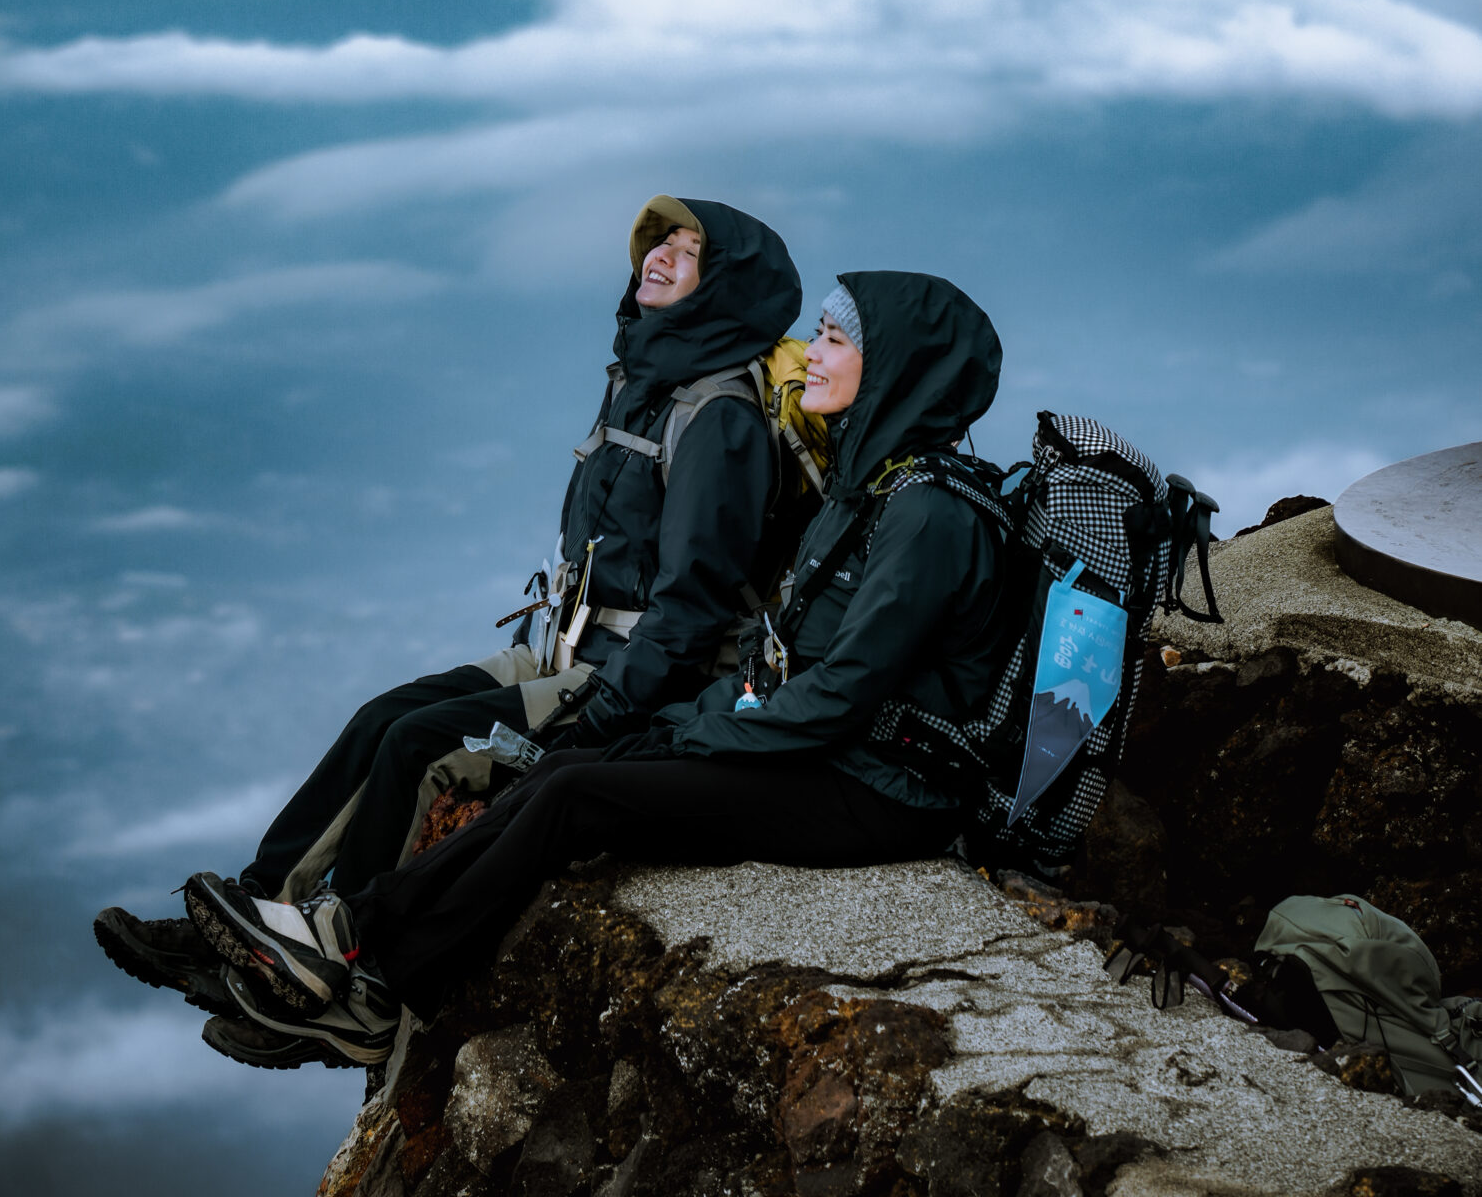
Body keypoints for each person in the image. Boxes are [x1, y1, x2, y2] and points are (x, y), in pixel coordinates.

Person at [181, 268, 1005, 1068]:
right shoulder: (867, 488)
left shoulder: (928, 515)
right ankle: (353, 945)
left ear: (895, 367)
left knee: (576, 796)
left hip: (879, 792)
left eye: (833, 340)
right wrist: (683, 722)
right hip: (821, 754)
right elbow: (779, 659)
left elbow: (837, 696)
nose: (810, 354)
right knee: (564, 768)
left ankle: (367, 976)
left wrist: (694, 736)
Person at [93, 193, 801, 1050]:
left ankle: (340, 981)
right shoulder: (645, 377)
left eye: (687, 253)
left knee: (419, 745)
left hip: (629, 673)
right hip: (566, 645)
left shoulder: (717, 415)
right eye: (659, 243)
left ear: (724, 286)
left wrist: (608, 711)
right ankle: (255, 925)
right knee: (380, 717)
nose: (658, 258)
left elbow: (692, 606)